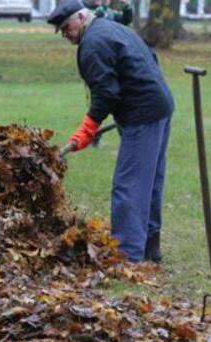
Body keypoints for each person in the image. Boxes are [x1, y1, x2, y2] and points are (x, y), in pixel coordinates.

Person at [48, 0, 174, 263]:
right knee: (149, 180)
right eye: (61, 30)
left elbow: (106, 92)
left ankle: (126, 255)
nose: (65, 34)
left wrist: (87, 128)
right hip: (159, 105)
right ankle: (151, 245)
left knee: (128, 185)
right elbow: (150, 58)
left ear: (81, 17)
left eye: (66, 27)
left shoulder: (93, 43)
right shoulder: (109, 27)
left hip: (143, 113)